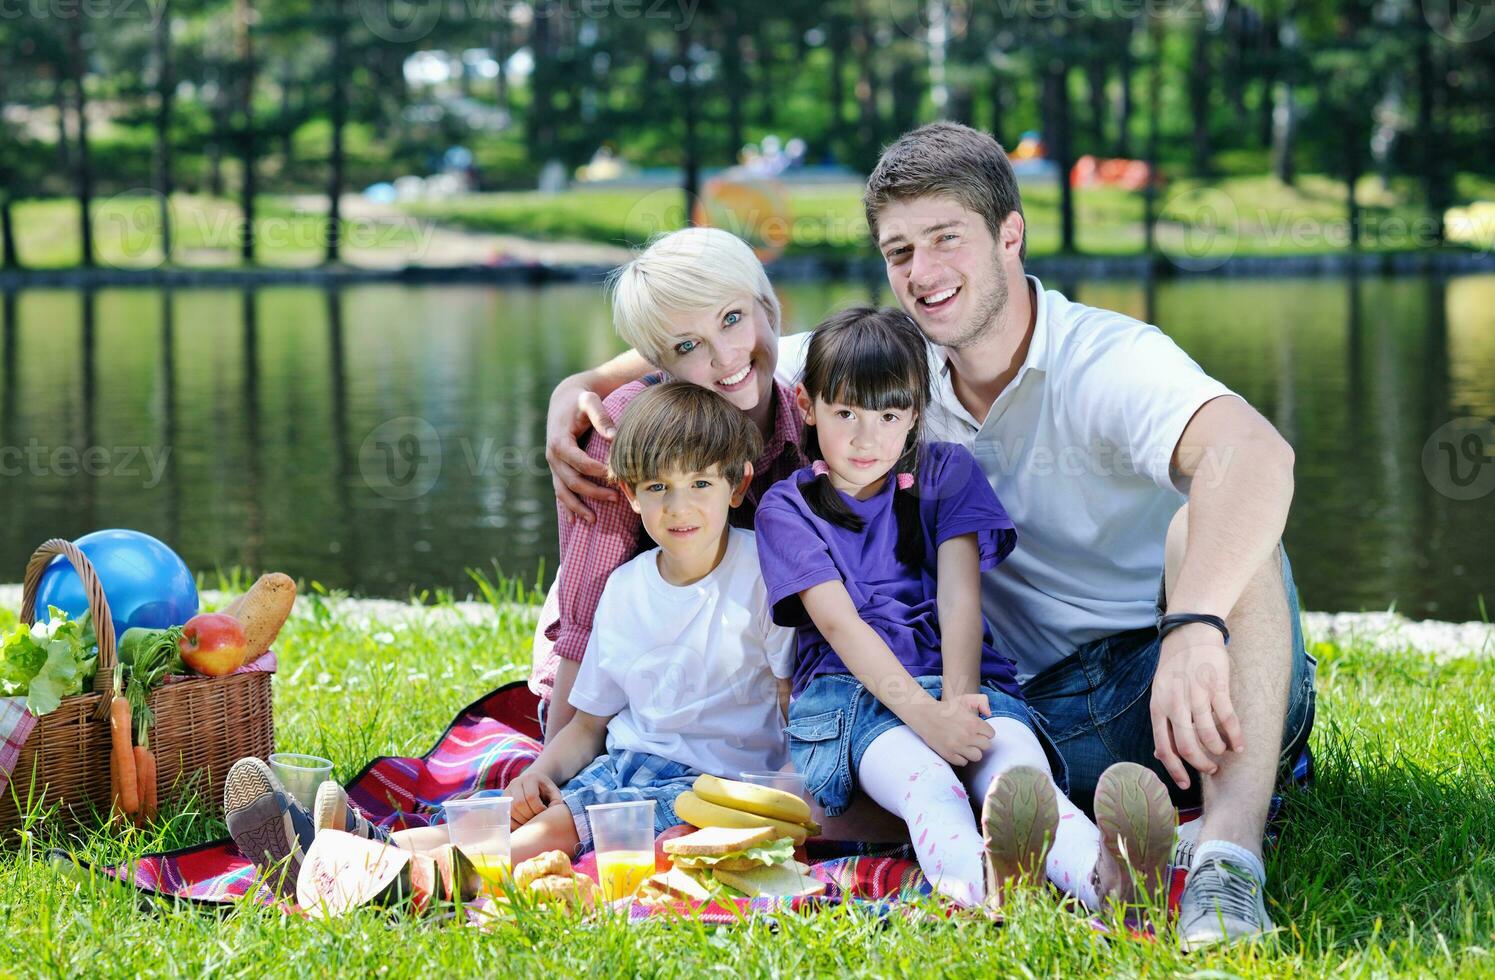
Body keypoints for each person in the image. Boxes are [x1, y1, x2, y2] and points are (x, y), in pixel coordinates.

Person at [542, 123, 1315, 948]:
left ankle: (1226, 865)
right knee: (925, 764)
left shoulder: (1107, 358)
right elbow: (723, 352)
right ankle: (1047, 855)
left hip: (1157, 691)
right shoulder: (883, 367)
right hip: (1006, 702)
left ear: (1009, 234)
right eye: (899, 250)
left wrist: (1193, 628)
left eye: (946, 238)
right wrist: (581, 383)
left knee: (1227, 529)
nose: (922, 273)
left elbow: (1258, 454)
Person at [226, 382, 795, 897]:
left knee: (553, 831)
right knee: (510, 814)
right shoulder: (625, 589)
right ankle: (355, 847)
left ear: (738, 483)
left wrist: (793, 802)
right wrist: (543, 769)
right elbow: (590, 726)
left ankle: (415, 881)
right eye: (658, 487)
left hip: (713, 784)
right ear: (629, 494)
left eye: (700, 483)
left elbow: (789, 700)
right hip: (626, 762)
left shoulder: (762, 575)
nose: (679, 506)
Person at [754, 307, 1174, 910]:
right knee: (929, 786)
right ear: (805, 403)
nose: (864, 436)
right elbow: (839, 624)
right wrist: (926, 718)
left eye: (888, 415)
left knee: (1022, 778)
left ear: (915, 414)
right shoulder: (786, 508)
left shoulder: (947, 471)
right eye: (844, 412)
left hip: (961, 680)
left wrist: (958, 701)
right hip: (853, 698)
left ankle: (1106, 880)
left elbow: (959, 595)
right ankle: (976, 888)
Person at [530, 226, 806, 744]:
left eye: (732, 319)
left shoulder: (816, 418)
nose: (725, 358)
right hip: (631, 701)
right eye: (688, 345)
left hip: (751, 700)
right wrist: (555, 760)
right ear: (662, 364)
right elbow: (586, 612)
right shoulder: (625, 431)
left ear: (767, 308)